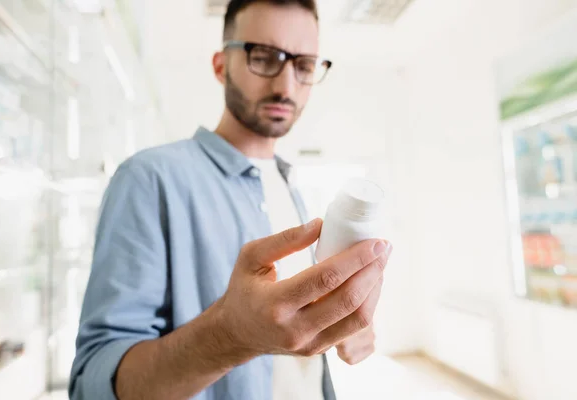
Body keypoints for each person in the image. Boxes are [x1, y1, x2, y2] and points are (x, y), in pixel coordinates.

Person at [69, 0, 393, 399]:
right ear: (221, 65)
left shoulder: (290, 184)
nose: (285, 85)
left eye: (304, 65)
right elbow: (92, 387)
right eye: (264, 57)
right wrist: (229, 336)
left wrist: (343, 326)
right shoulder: (149, 180)